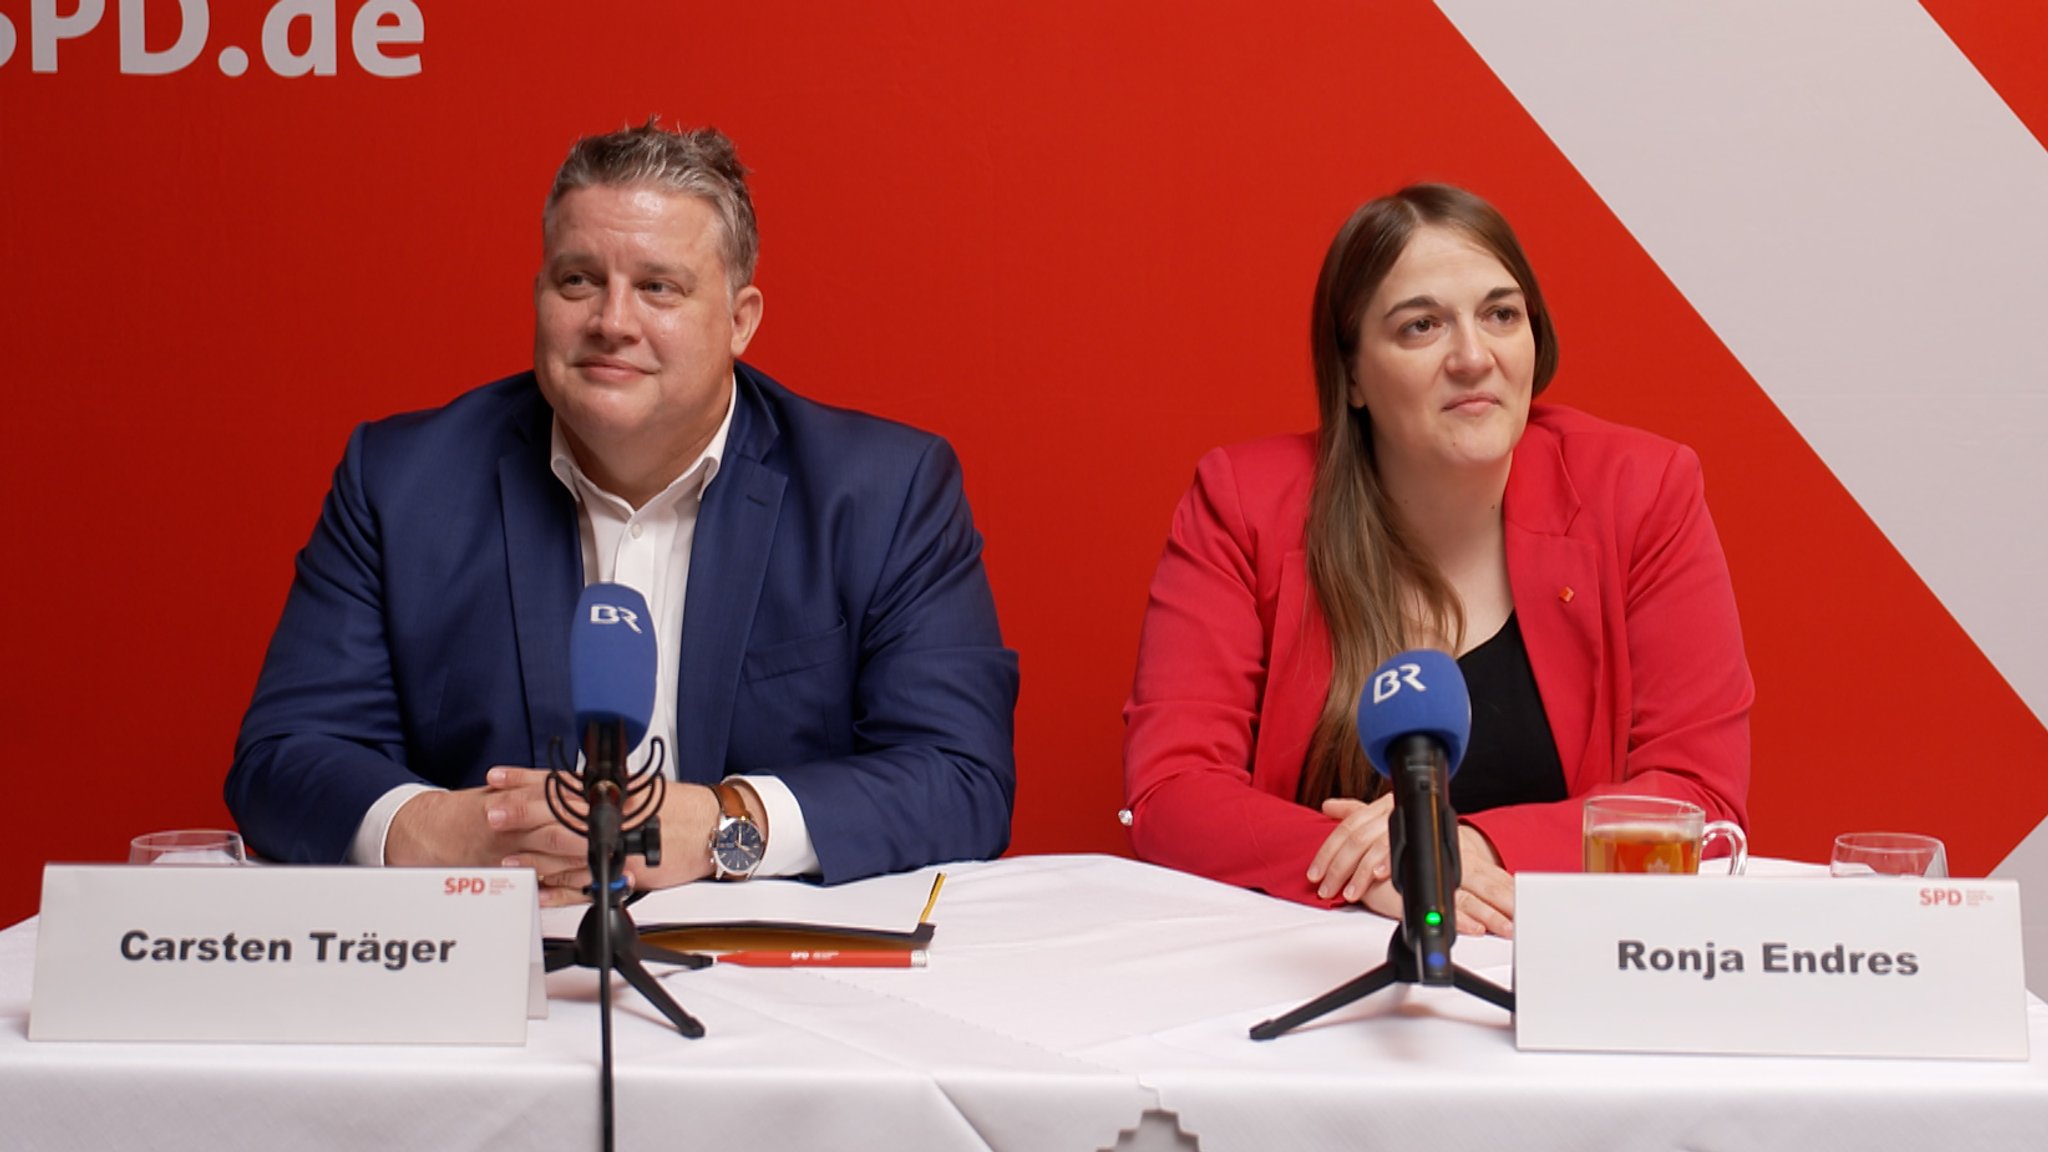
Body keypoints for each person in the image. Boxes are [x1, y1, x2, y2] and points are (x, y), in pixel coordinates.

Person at [227, 122, 1018, 905]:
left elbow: (961, 777)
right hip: (498, 966)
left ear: (740, 321)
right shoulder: (402, 482)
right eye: (578, 280)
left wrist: (722, 824)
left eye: (658, 287)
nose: (612, 320)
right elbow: (284, 758)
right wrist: (434, 831)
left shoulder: (882, 491)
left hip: (775, 972)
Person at [1121, 185, 1751, 935]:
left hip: (1553, 956)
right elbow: (1170, 791)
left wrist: (1474, 845)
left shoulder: (1641, 491)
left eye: (1501, 315)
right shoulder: (1244, 503)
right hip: (1313, 965)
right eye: (1421, 326)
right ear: (1351, 373)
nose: (1473, 357)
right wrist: (1379, 861)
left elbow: (1697, 796)